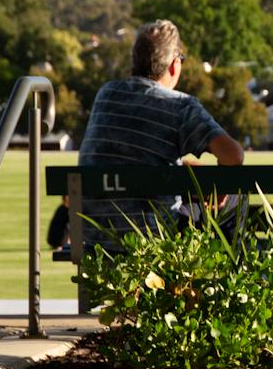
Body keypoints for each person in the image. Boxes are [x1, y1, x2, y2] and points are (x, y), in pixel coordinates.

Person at [77, 20, 245, 250]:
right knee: (238, 195)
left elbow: (132, 157)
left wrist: (180, 171)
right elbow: (233, 156)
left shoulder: (106, 94)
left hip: (97, 239)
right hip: (156, 238)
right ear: (175, 64)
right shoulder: (181, 106)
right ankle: (227, 278)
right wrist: (220, 189)